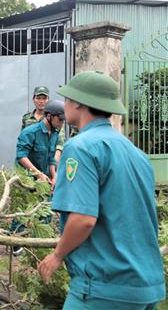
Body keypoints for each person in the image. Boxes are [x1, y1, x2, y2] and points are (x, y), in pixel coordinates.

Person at [38, 71, 165, 309]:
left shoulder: (80, 147)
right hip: (146, 284)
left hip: (103, 286)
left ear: (77, 102)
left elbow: (83, 219)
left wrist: (57, 256)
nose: (64, 104)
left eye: (66, 98)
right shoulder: (137, 154)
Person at [16, 99, 65, 187]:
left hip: (43, 181)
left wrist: (54, 176)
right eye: (60, 120)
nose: (62, 124)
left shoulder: (55, 134)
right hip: (25, 181)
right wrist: (38, 174)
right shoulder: (30, 132)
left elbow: (51, 159)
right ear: (49, 116)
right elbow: (21, 156)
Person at [22, 86, 65, 164]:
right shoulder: (27, 118)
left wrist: (54, 163)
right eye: (38, 98)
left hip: (47, 160)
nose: (41, 101)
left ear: (48, 100)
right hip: (30, 161)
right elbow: (23, 140)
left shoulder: (53, 118)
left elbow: (60, 143)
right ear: (33, 99)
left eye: (44, 98)